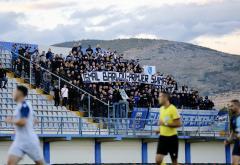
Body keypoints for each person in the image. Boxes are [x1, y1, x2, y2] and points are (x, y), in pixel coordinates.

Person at [5, 85, 45, 165]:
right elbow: (34, 120)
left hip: (29, 141)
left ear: (19, 93)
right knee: (10, 162)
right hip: (19, 141)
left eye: (14, 91)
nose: (12, 93)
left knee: (40, 163)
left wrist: (11, 121)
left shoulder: (24, 105)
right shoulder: (21, 106)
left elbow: (23, 122)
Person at [155, 91, 182, 165]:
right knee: (158, 160)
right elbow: (162, 122)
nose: (158, 98)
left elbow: (178, 124)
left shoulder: (172, 109)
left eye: (160, 96)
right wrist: (159, 129)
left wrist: (165, 124)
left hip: (172, 138)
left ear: (165, 98)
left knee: (174, 162)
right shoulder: (161, 109)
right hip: (163, 137)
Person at [224, 99, 240, 165]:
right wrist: (228, 140)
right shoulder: (233, 118)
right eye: (229, 106)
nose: (230, 108)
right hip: (238, 142)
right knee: (234, 163)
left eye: (232, 106)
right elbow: (233, 132)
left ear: (237, 106)